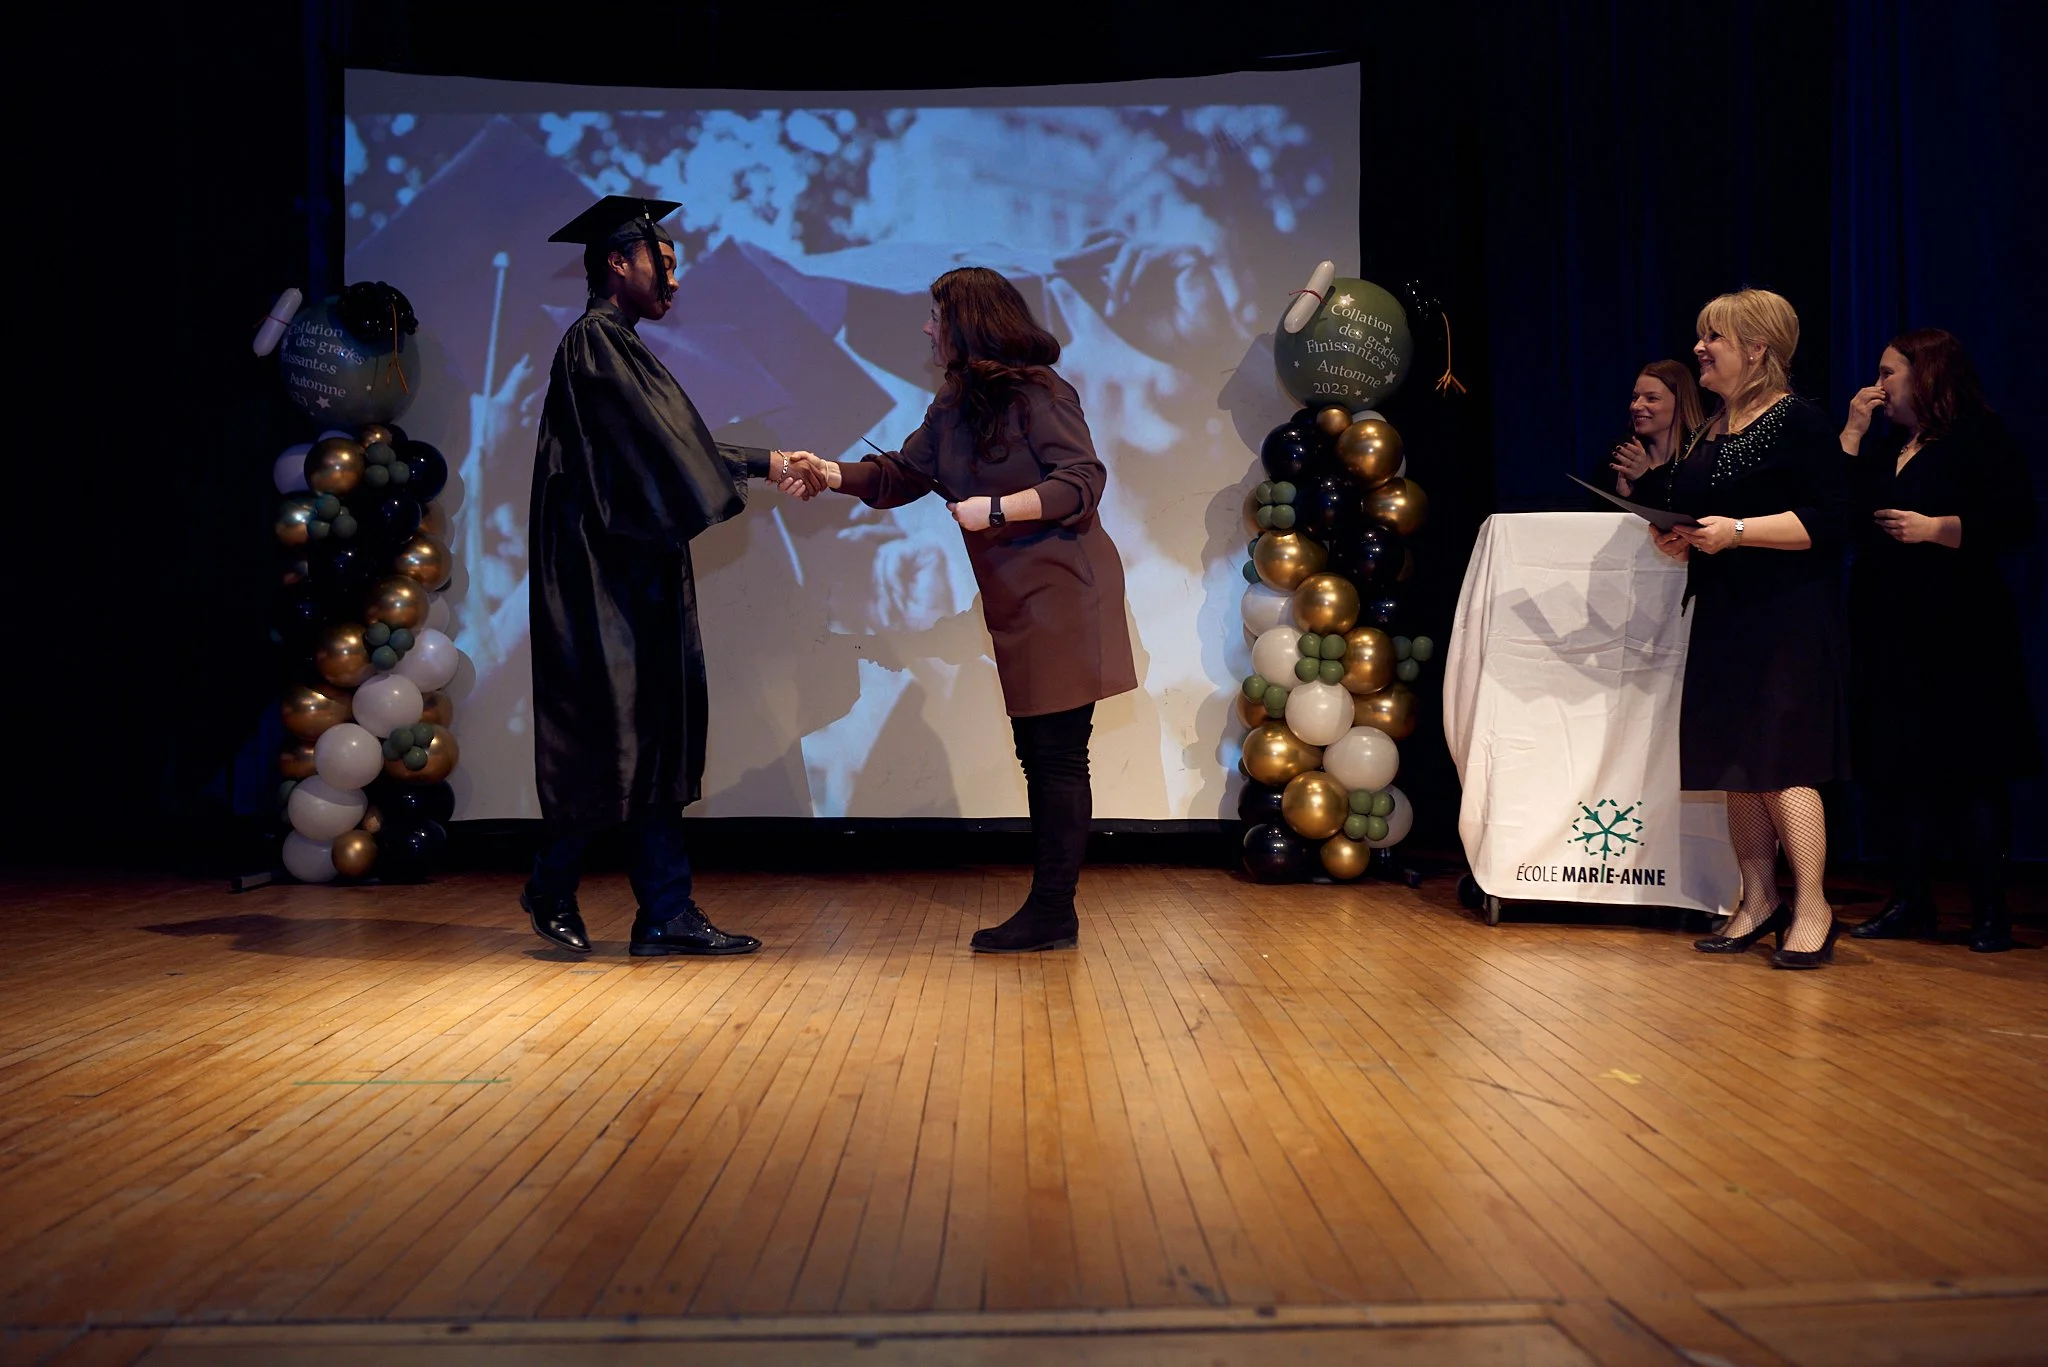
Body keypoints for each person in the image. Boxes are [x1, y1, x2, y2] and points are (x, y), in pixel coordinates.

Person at [782, 267, 1139, 953]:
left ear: (967, 323)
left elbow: (1082, 481)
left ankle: (1053, 911)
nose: (926, 328)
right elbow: (901, 474)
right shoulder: (953, 404)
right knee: (1041, 753)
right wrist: (828, 473)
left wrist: (998, 508)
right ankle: (1051, 908)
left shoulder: (1039, 393)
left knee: (1058, 755)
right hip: (1017, 598)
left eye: (936, 315)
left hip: (1066, 591)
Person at [523, 195, 809, 957]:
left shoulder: (617, 344)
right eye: (664, 262)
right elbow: (666, 446)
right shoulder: (595, 343)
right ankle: (551, 882)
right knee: (610, 737)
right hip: (599, 579)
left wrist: (768, 462)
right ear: (619, 262)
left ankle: (664, 912)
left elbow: (674, 443)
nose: (675, 282)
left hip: (633, 570)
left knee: (652, 739)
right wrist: (767, 463)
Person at [1650, 288, 1851, 968]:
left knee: (1781, 759)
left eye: (1716, 338)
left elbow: (1831, 520)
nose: (1700, 349)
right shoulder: (1715, 425)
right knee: (1737, 764)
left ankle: (1815, 906)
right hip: (1726, 613)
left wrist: (1735, 532)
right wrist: (1678, 539)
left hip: (1786, 614)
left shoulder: (1798, 421)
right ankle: (1757, 899)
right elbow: (1695, 512)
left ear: (1758, 348)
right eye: (1701, 335)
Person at [1840, 329, 2038, 952]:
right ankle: (1910, 901)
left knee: (1972, 771)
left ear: (1925, 375)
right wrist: (1850, 436)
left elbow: (2017, 520)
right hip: (1890, 630)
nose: (1879, 385)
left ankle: (1989, 912)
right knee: (1899, 771)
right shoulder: (1889, 449)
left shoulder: (1978, 437)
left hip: (1960, 631)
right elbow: (1837, 513)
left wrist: (1938, 528)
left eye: (1888, 372)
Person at [1608, 359, 1706, 504]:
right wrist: (1623, 497)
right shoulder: (1619, 456)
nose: (1636, 406)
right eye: (1635, 398)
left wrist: (1643, 478)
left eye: (1652, 398)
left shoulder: (1699, 461)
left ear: (1681, 405)